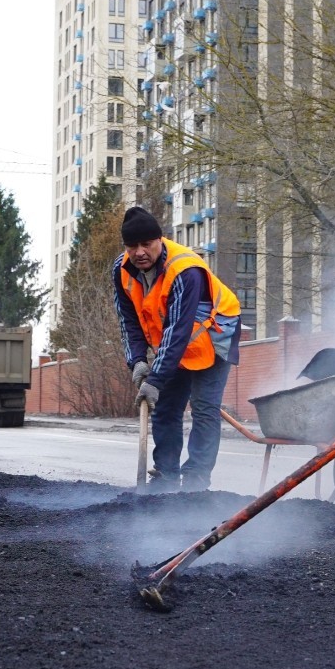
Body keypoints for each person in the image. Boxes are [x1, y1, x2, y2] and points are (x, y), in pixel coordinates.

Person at [112, 206, 242, 493]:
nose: (139, 252)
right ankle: (166, 477)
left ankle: (196, 479)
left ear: (161, 239)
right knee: (166, 408)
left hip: (215, 335)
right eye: (132, 246)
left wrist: (156, 380)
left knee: (204, 408)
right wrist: (136, 362)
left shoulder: (186, 270)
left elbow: (178, 329)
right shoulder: (121, 270)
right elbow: (128, 321)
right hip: (175, 345)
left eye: (146, 244)